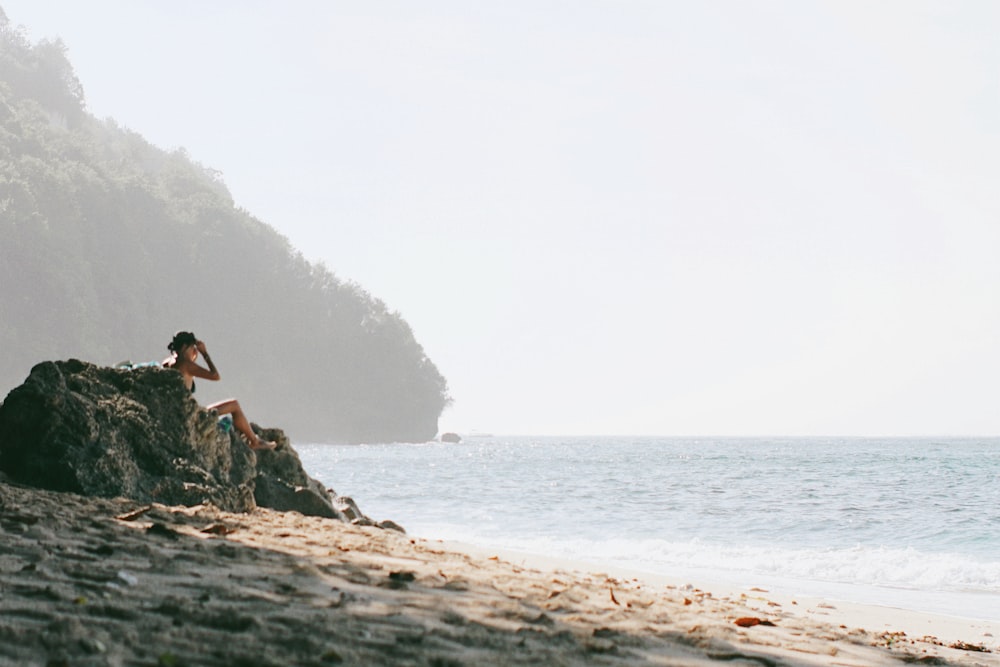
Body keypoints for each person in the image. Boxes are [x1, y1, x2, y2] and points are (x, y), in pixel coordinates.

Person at [164, 331, 276, 451]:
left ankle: (244, 436)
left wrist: (192, 358)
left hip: (179, 413)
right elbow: (215, 376)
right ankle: (254, 441)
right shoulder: (186, 365)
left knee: (230, 408)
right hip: (190, 417)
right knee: (234, 405)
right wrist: (205, 354)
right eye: (193, 348)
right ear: (185, 347)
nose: (194, 350)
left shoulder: (168, 363)